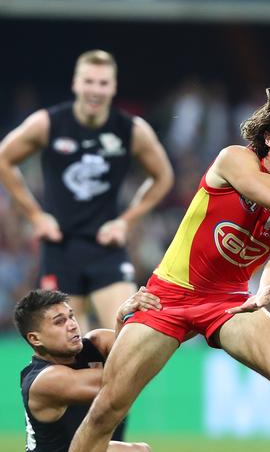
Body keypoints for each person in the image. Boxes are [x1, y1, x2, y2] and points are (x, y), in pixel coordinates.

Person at [61, 74, 270, 452]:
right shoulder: (235, 160)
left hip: (229, 301)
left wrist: (268, 285)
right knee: (105, 411)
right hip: (168, 296)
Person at [0, 49, 174, 333]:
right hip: (60, 246)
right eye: (89, 82)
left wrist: (127, 221)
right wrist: (35, 216)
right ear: (75, 84)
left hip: (106, 246)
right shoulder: (49, 123)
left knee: (128, 334)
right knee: (69, 344)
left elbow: (163, 176)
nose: (95, 90)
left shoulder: (130, 130)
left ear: (113, 87)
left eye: (103, 83)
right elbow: (4, 158)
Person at [16, 287, 227, 452]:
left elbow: (144, 344)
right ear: (35, 339)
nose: (72, 325)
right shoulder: (46, 381)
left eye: (71, 316)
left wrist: (217, 310)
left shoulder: (95, 343)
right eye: (59, 322)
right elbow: (119, 381)